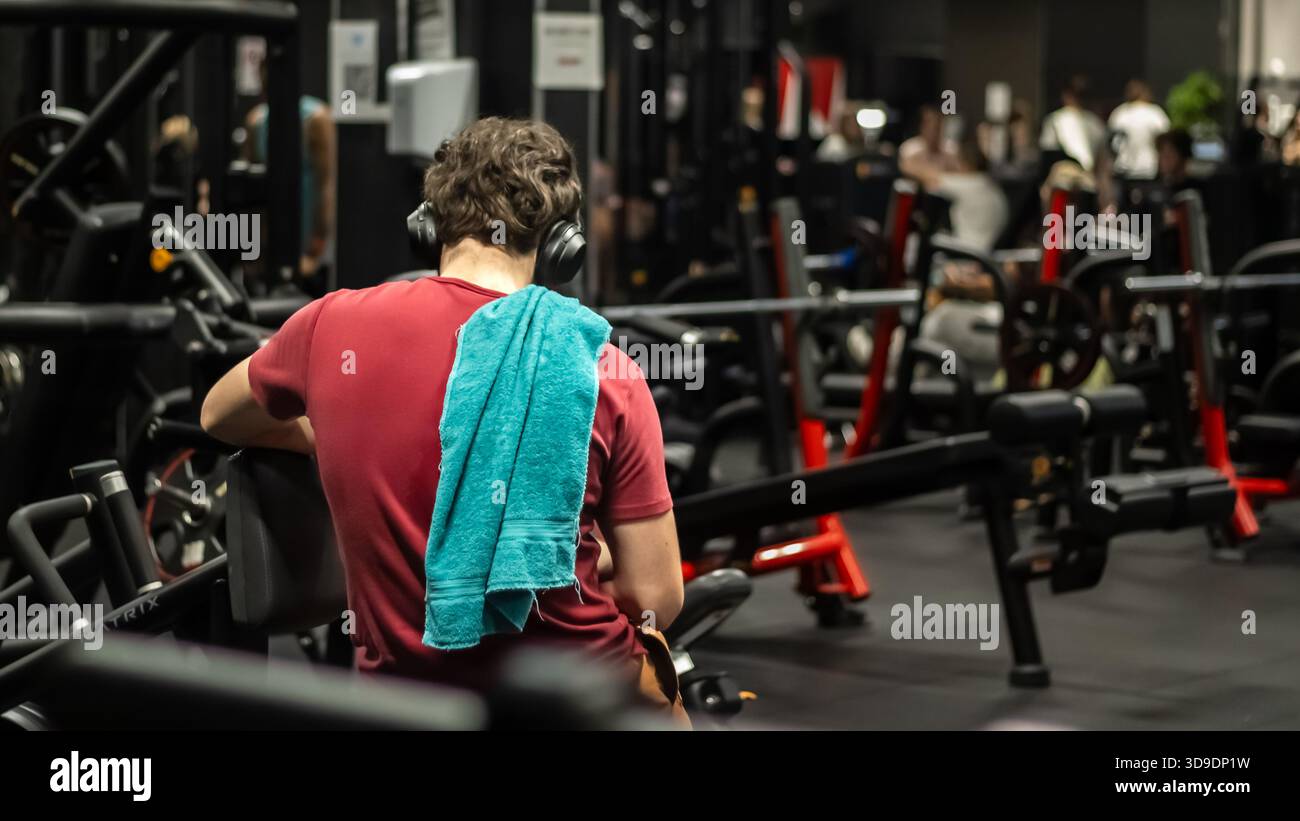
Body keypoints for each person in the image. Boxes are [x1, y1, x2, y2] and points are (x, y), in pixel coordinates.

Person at [200, 117, 688, 722]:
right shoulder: (601, 368)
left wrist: (331, 433)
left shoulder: (329, 327)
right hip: (577, 703)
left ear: (428, 224)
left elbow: (219, 414)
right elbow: (655, 599)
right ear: (564, 244)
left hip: (406, 707)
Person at [244, 61, 336, 296]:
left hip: (306, 231)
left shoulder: (315, 119)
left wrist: (317, 244)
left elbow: (326, 182)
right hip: (270, 235)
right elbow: (250, 188)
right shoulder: (256, 122)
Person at [1040, 76, 1107, 174]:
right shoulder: (1095, 122)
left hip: (1065, 177)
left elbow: (1048, 153)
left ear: (1065, 95)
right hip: (1086, 177)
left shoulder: (1056, 118)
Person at [1107, 79, 1169, 180]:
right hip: (1147, 168)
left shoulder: (1120, 113)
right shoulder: (1155, 113)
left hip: (1125, 168)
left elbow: (1112, 144)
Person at [899, 104, 958, 180]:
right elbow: (906, 168)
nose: (934, 131)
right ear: (922, 127)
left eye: (938, 126)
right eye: (931, 125)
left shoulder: (950, 148)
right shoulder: (910, 148)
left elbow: (962, 172)